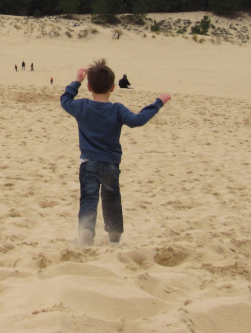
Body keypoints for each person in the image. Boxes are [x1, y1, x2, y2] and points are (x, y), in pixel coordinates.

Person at [60, 59, 170, 247]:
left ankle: (86, 229)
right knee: (112, 197)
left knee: (88, 197)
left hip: (88, 163)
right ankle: (114, 234)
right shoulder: (117, 109)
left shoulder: (82, 106)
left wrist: (76, 81)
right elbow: (138, 120)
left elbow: (65, 100)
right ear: (112, 87)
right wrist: (158, 102)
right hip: (111, 164)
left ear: (89, 87)